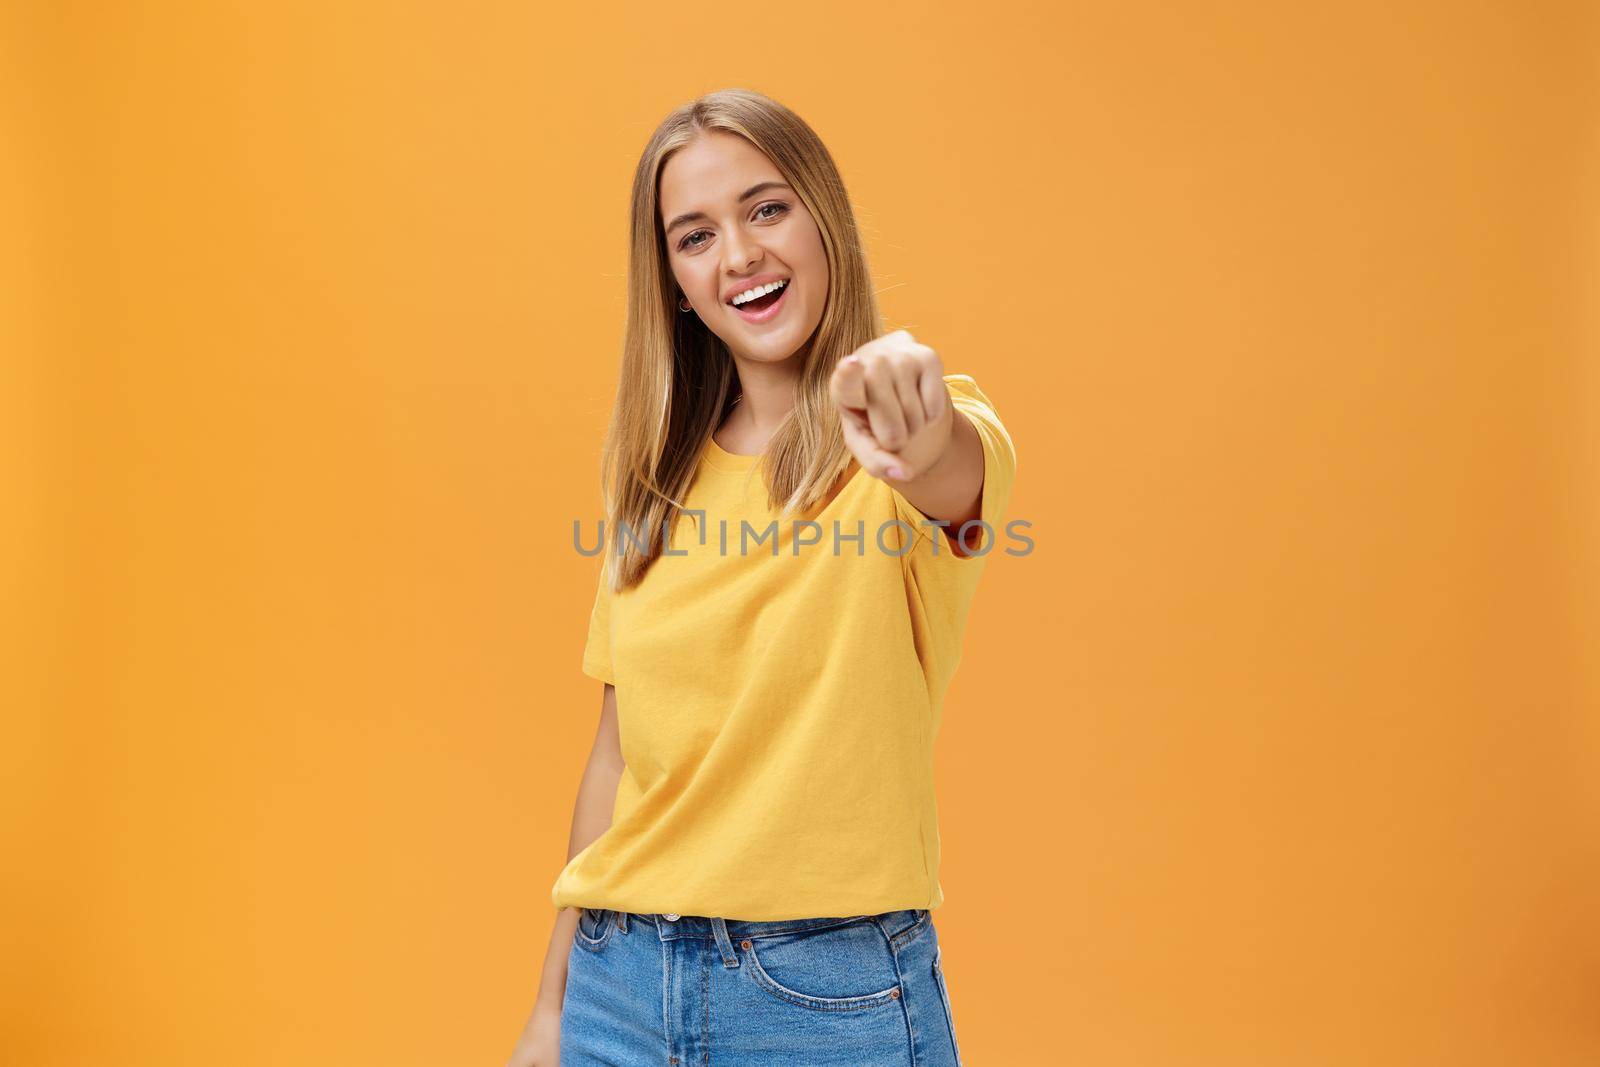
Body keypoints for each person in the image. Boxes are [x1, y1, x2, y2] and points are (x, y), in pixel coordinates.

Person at [505, 87, 1016, 1067]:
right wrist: (547, 1006)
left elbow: (955, 471)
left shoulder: (901, 447)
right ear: (674, 285)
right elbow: (615, 758)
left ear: (826, 220)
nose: (737, 253)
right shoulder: (652, 483)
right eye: (694, 235)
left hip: (827, 994)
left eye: (766, 208)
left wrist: (913, 416)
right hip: (618, 980)